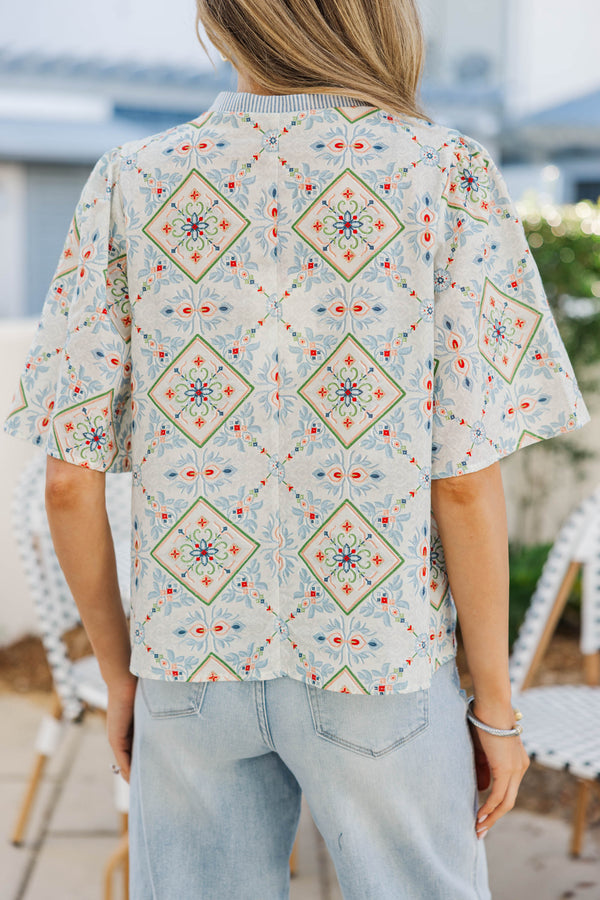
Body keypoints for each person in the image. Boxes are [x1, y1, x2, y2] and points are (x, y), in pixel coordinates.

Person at [3, 1, 592, 897]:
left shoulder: (130, 179)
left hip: (188, 668)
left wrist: (123, 680)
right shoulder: (444, 174)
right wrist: (497, 710)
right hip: (379, 661)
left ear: (220, 22)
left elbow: (68, 483)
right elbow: (465, 484)